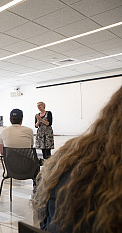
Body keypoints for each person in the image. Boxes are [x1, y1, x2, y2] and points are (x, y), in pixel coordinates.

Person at [33, 86, 122, 233]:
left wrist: (41, 119)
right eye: (38, 106)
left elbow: (49, 124)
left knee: (48, 152)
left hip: (47, 133)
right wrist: (37, 120)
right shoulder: (37, 115)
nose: (39, 107)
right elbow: (37, 126)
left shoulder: (49, 114)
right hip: (40, 133)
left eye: (40, 105)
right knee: (44, 153)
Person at [0, 109, 37, 191]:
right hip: (28, 169)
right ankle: (37, 191)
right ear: (22, 119)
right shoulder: (29, 131)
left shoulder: (3, 132)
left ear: (10, 119)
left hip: (11, 169)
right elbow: (30, 148)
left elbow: (2, 152)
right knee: (39, 169)